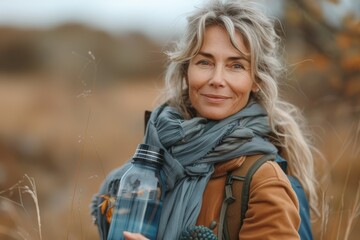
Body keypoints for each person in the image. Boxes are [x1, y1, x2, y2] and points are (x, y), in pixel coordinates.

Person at [90, 0, 319, 239]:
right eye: (205, 62)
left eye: (236, 65)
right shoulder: (158, 156)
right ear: (186, 71)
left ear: (256, 80)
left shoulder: (264, 181)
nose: (217, 79)